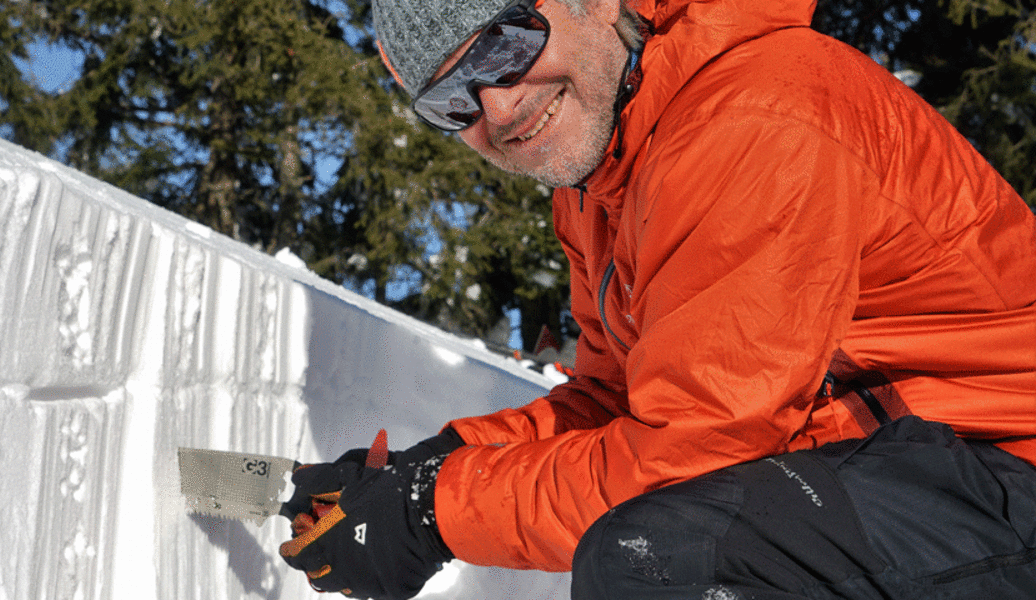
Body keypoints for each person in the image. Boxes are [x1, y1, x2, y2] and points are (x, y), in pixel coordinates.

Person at [275, 0, 1036, 598]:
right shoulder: (599, 184)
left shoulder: (751, 117)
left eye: (505, 47)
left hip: (1005, 474)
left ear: (596, 2)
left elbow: (695, 449)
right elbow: (614, 398)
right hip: (914, 475)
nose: (499, 110)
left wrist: (432, 511)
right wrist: (435, 465)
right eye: (452, 102)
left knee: (657, 562)